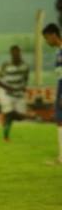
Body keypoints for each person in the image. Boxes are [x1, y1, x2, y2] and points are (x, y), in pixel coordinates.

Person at [0, 45, 30, 142]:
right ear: (11, 54)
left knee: (21, 117)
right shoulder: (5, 65)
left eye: (18, 53)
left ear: (20, 53)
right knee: (9, 114)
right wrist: (7, 87)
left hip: (19, 94)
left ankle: (4, 115)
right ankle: (6, 137)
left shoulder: (25, 66)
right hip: (6, 93)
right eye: (14, 53)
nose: (16, 55)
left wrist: (23, 87)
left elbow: (25, 78)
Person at [42, 23, 62, 165]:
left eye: (46, 38)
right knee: (60, 121)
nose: (46, 42)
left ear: (53, 35)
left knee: (60, 121)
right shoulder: (58, 52)